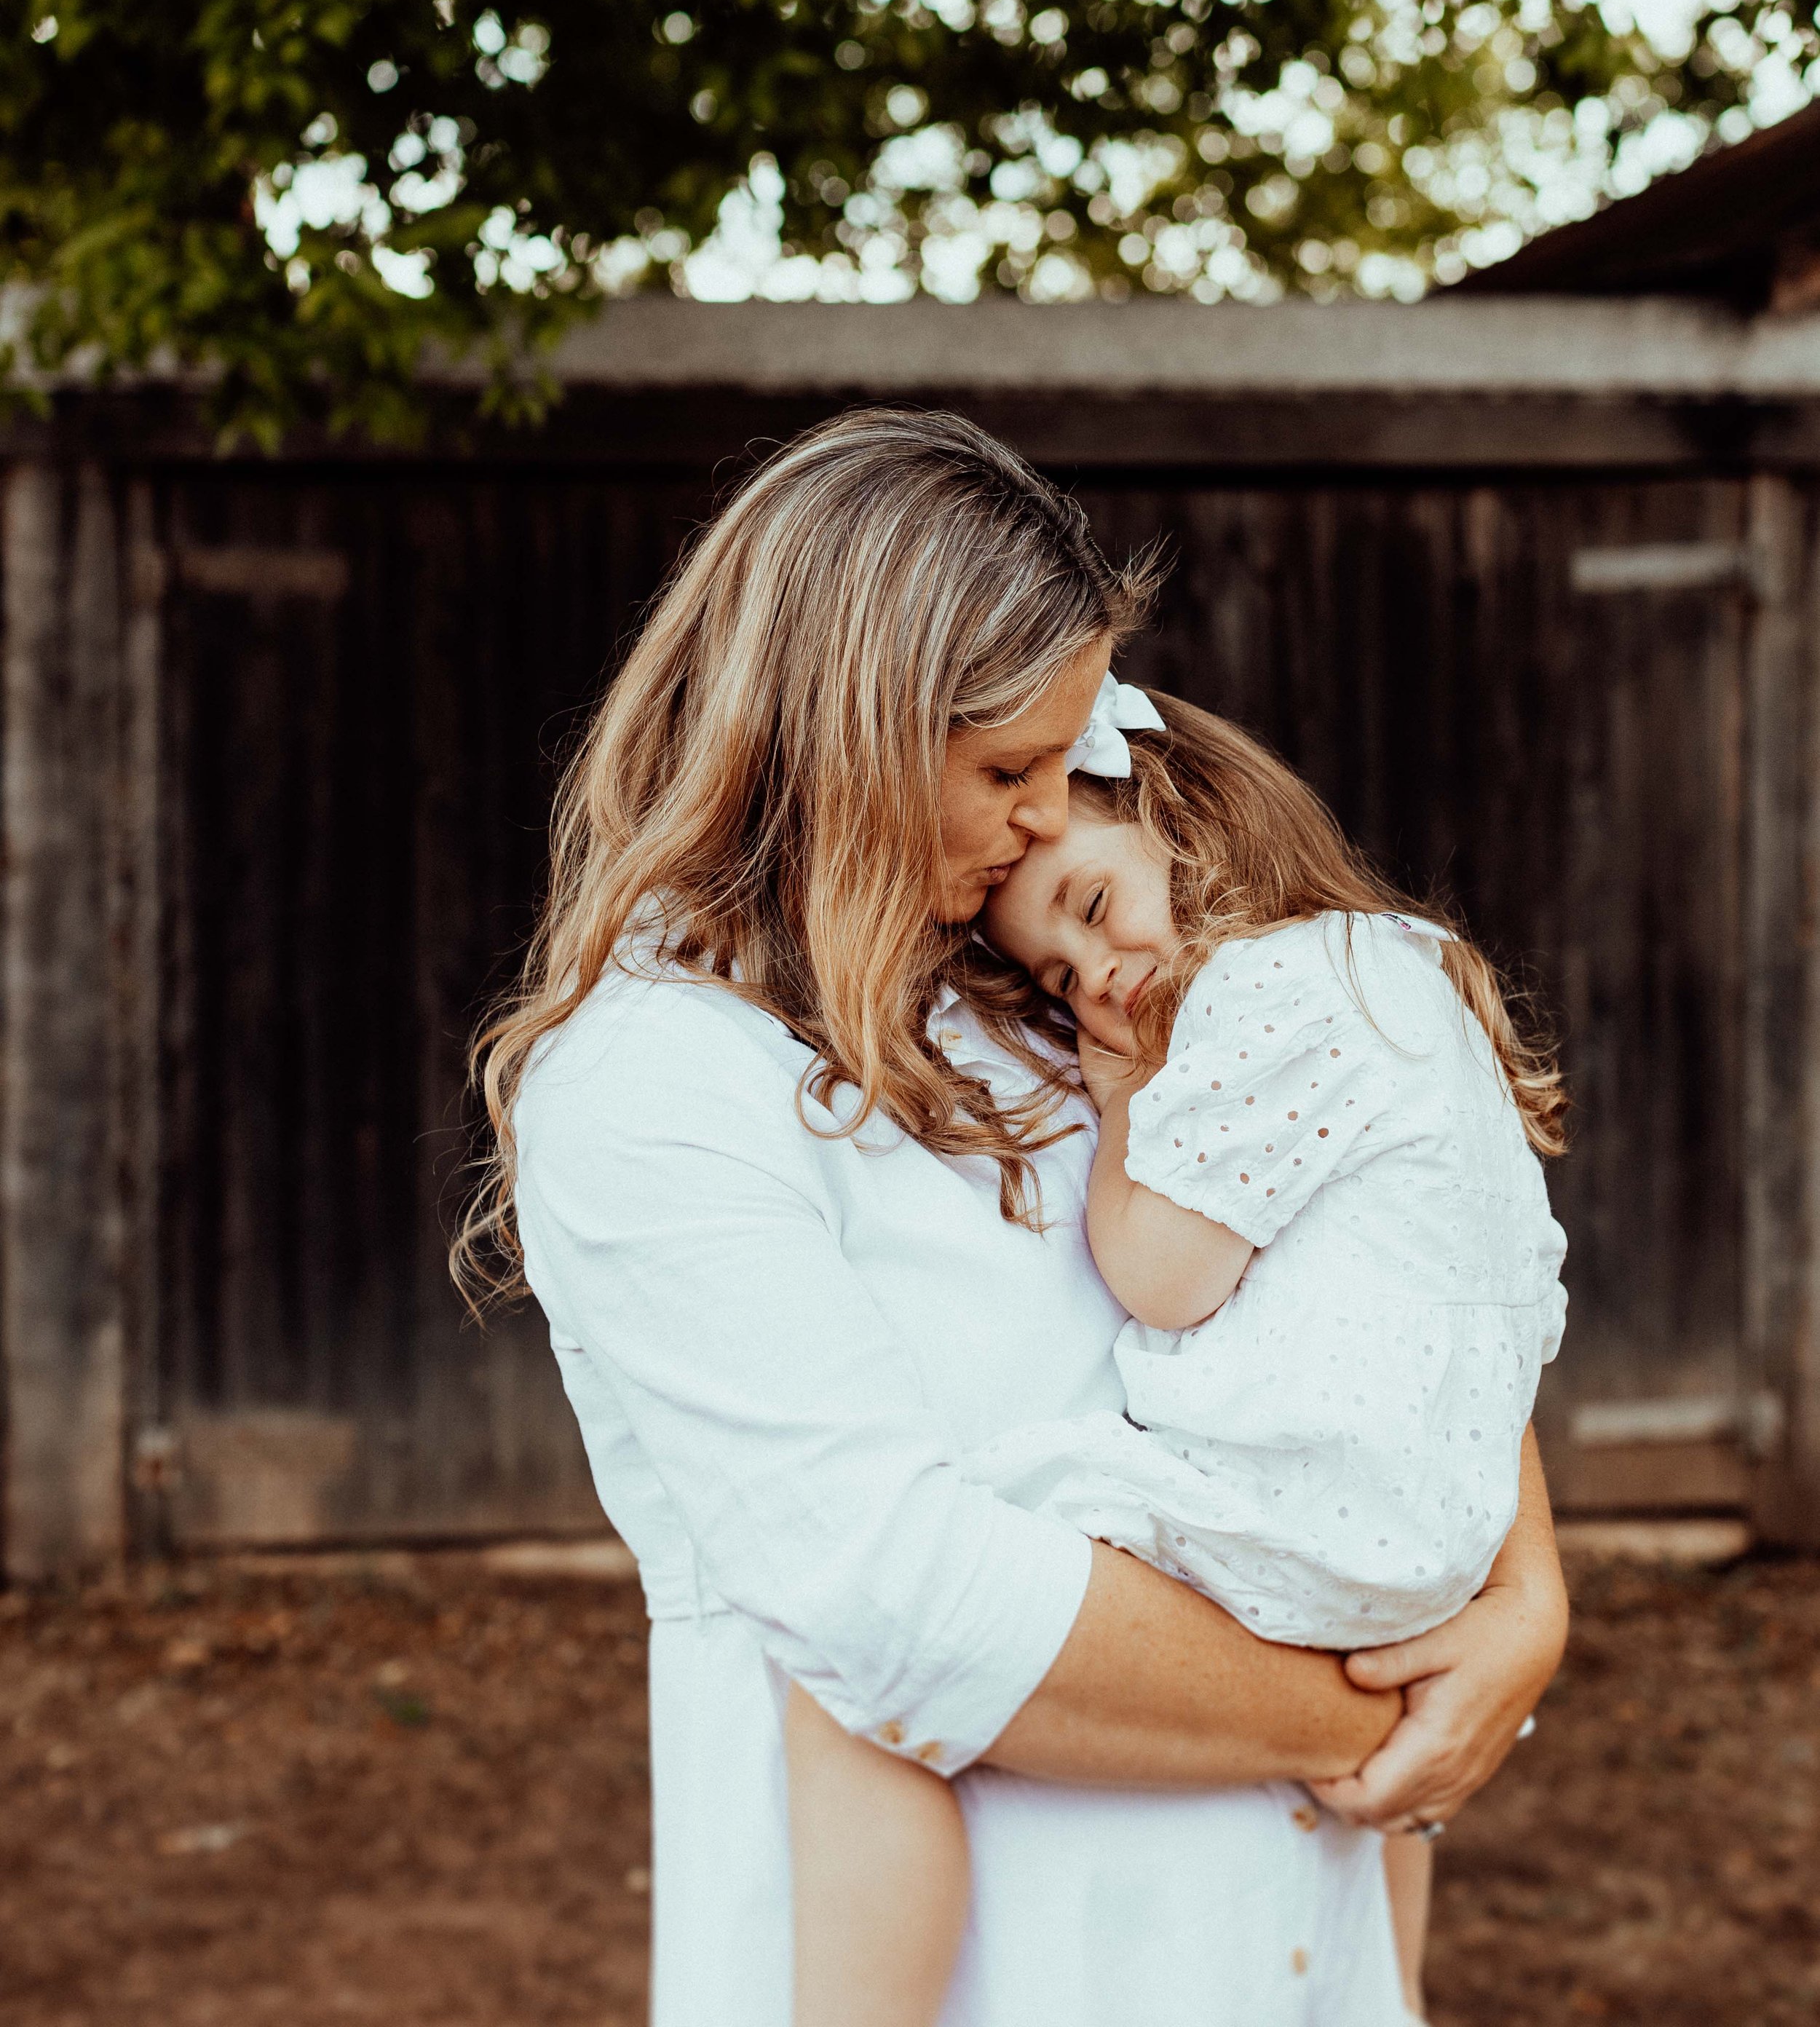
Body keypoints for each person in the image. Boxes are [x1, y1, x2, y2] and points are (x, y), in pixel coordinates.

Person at [457, 408, 1569, 2027]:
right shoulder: (654, 1083)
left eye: (1062, 764)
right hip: (1003, 1972)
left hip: (1283, 1946)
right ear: (846, 731)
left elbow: (1382, 1243)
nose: (1052, 818)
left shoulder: (1051, 985)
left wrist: (1520, 1587)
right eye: (1004, 772)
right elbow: (893, 1598)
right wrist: (1358, 1714)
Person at [784, 679, 1570, 2023]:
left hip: (1312, 1506)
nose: (1100, 983)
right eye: (1059, 976)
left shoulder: (1254, 1001)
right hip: (1442, 1536)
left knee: (860, 1656)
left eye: (1092, 912)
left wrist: (1122, 1096)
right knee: (1376, 1784)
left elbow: (1161, 1278)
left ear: (1189, 824)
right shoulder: (1397, 961)